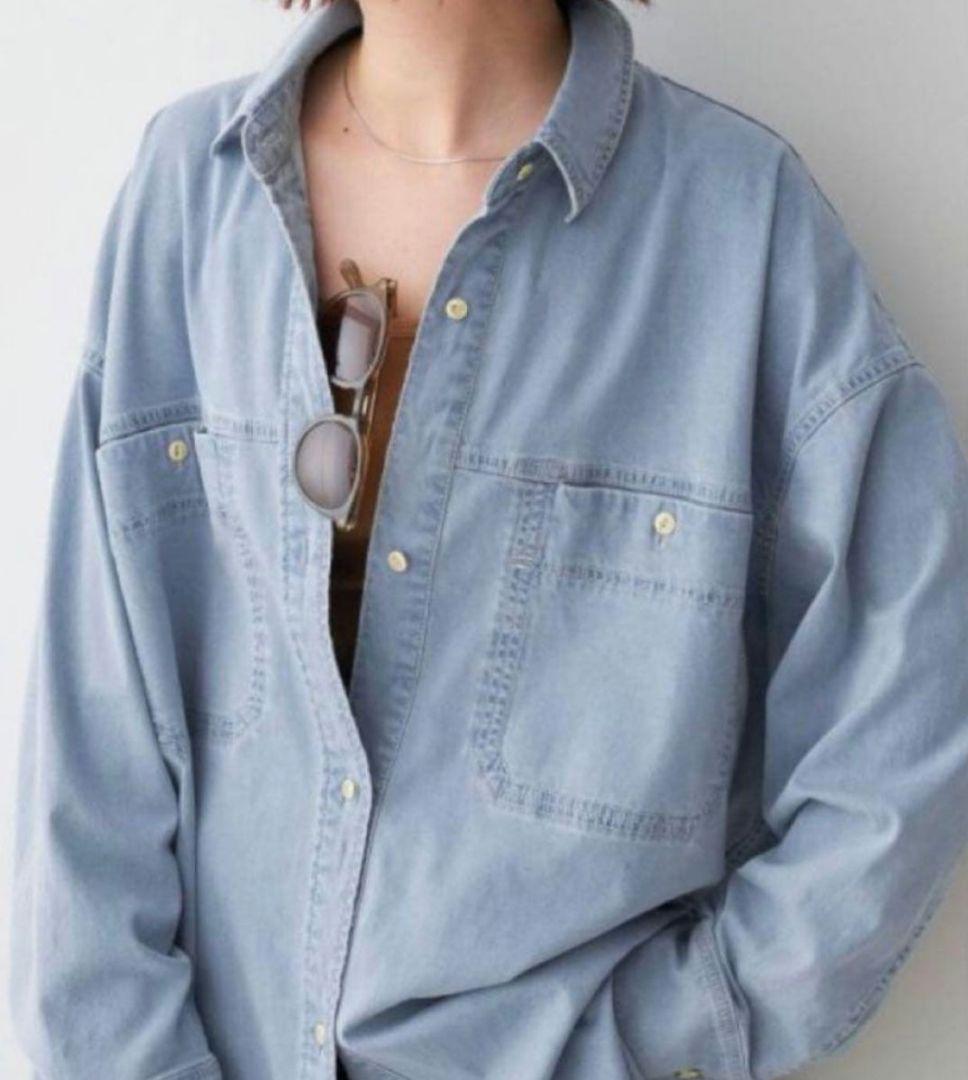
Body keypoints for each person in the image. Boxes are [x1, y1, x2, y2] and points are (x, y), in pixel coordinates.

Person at [9, 0, 968, 1078]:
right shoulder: (189, 191)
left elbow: (904, 723)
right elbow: (90, 765)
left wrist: (686, 1030)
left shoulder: (742, 225)